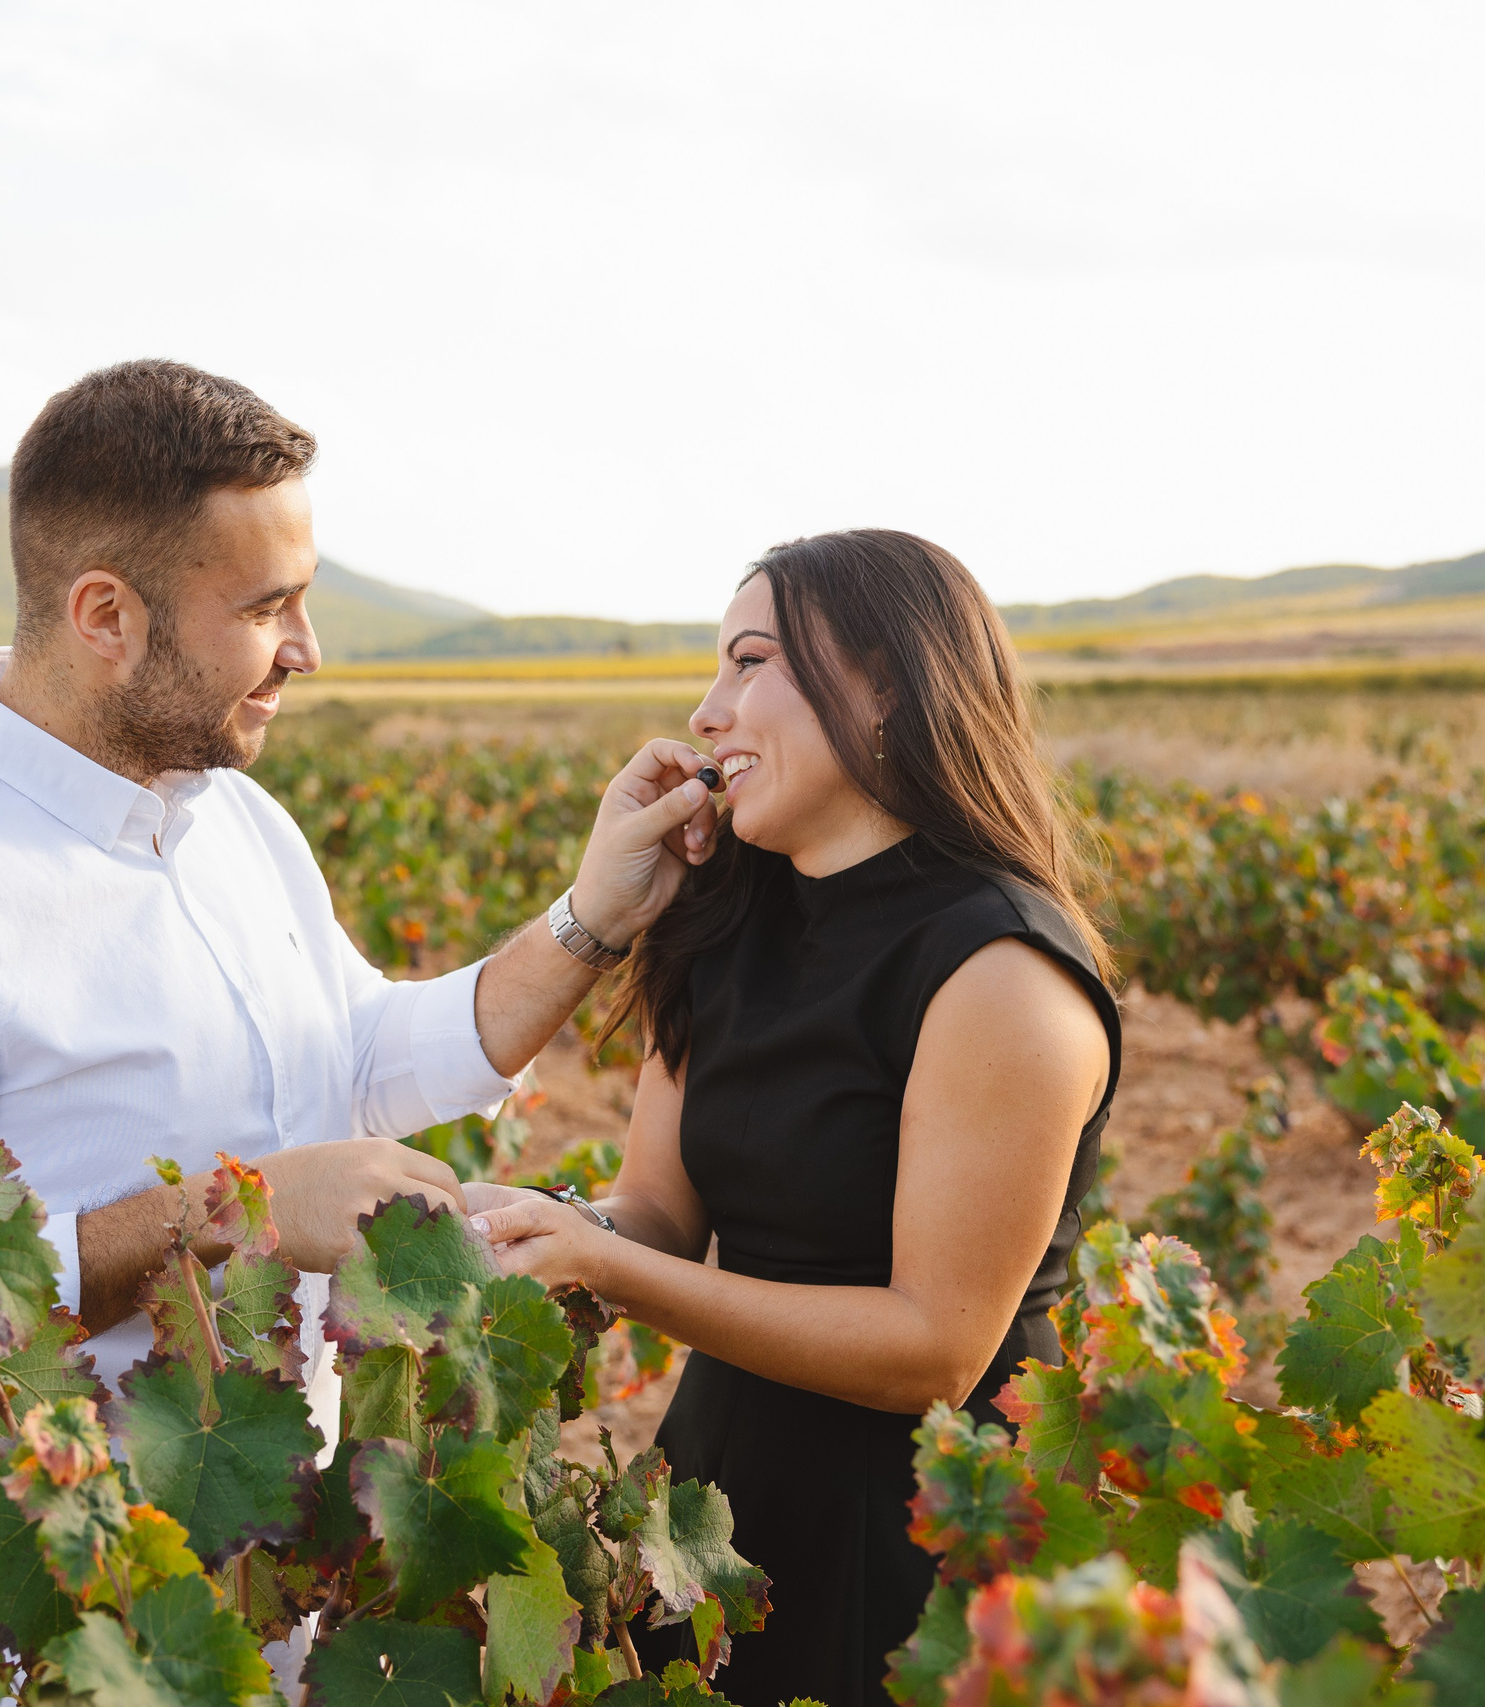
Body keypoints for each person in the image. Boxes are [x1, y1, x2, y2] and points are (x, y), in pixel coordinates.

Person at [0, 360, 719, 1706]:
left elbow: (359, 1055)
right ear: (106, 614)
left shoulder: (230, 818)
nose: (309, 647)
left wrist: (591, 916)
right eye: (267, 606)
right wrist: (227, 1212)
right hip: (44, 1658)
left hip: (263, 1628)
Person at [469, 530, 1120, 1707]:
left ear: (884, 687)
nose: (708, 712)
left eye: (749, 662)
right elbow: (660, 1214)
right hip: (718, 1495)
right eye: (713, 670)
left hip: (916, 1520)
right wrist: (542, 1227)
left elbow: (934, 1349)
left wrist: (605, 1268)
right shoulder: (722, 918)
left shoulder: (999, 971)